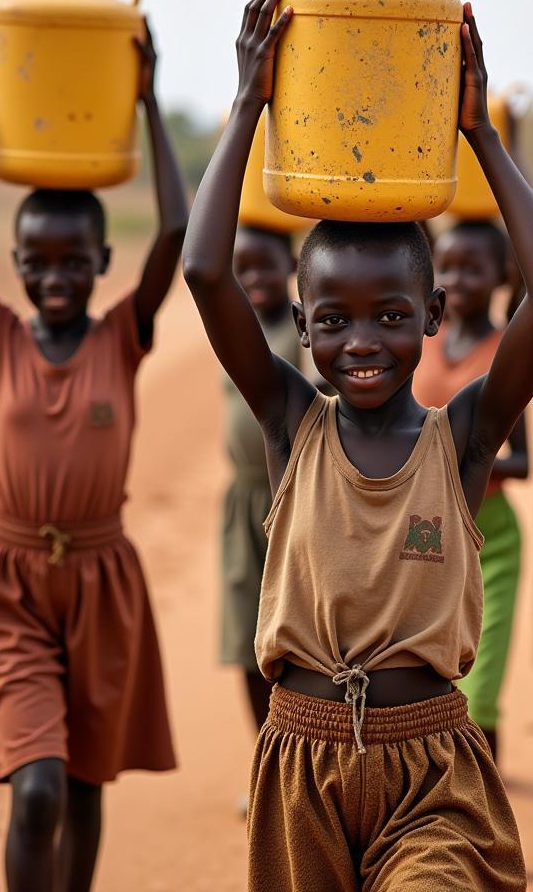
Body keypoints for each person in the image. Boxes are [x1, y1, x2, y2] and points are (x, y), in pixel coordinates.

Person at [183, 0, 533, 890]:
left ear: (435, 313)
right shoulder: (292, 423)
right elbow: (206, 274)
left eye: (392, 315)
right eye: (335, 322)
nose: (362, 344)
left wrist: (482, 136)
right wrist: (249, 104)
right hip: (302, 766)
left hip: (431, 765)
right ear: (302, 323)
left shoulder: (465, 437)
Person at [0, 8, 187, 892]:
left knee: (83, 783)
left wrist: (148, 104)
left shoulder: (125, 335)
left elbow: (181, 237)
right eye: (39, 262)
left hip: (104, 582)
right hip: (14, 583)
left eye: (76, 261)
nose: (57, 277)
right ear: (18, 263)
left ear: (104, 260)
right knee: (35, 790)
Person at [412, 219, 528, 762]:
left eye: (472, 268)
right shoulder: (417, 339)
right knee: (428, 687)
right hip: (422, 534)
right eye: (448, 267)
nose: (457, 279)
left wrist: (471, 455)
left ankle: (485, 813)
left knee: (479, 696)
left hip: (492, 537)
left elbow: (524, 460)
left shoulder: (508, 350)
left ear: (502, 275)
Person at [221, 224, 301, 734]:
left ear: (291, 266)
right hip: (244, 500)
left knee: (289, 637)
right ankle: (263, 759)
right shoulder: (239, 332)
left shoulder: (299, 333)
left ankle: (297, 758)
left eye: (264, 264)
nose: (253, 278)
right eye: (241, 267)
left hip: (289, 500)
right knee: (243, 637)